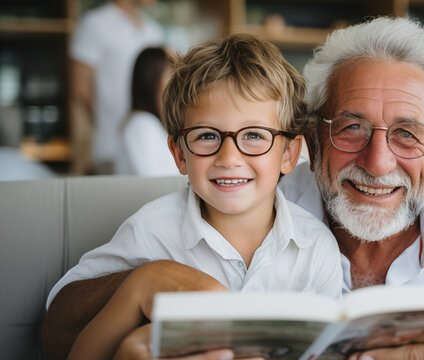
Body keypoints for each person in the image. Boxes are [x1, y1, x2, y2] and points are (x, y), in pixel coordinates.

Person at [42, 17, 424, 360]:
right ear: (311, 138)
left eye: (408, 135)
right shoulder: (259, 194)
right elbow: (62, 328)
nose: (377, 159)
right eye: (352, 127)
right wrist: (145, 287)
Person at [56, 34, 343, 360]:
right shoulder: (150, 231)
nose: (229, 157)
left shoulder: (316, 247)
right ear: (179, 154)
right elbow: (67, 328)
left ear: (289, 154)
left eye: (253, 135)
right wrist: (137, 289)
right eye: (207, 135)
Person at [71, 0, 163, 174]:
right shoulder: (95, 24)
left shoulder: (153, 30)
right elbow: (80, 87)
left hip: (150, 144)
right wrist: (107, 122)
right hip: (110, 147)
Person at [114, 47, 180, 176]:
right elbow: (154, 183)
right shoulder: (141, 125)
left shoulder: (151, 125)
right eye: (171, 75)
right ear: (151, 81)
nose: (178, 86)